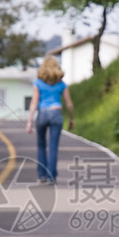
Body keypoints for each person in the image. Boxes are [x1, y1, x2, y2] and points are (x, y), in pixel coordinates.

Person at [26, 54, 74, 183]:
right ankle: (51, 176)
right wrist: (71, 119)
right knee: (53, 147)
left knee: (41, 145)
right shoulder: (62, 84)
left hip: (42, 114)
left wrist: (29, 121)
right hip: (56, 114)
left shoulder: (38, 83)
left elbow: (34, 102)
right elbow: (69, 103)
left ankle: (41, 175)